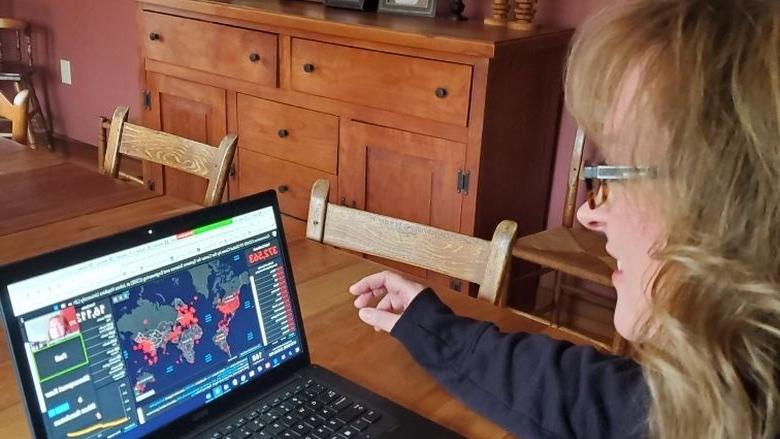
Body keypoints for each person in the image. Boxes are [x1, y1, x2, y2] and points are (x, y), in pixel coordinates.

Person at [348, 1, 780, 438]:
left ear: (734, 203)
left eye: (616, 171)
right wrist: (433, 328)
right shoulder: (724, 398)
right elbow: (596, 398)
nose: (588, 213)